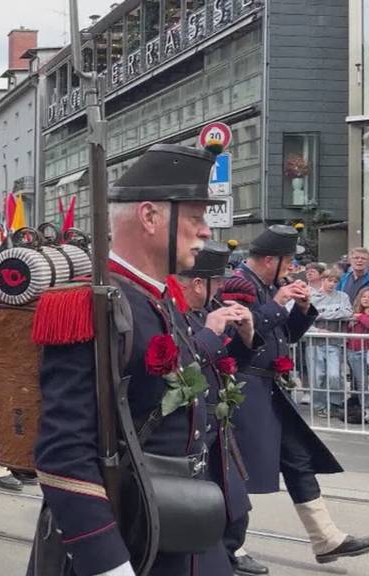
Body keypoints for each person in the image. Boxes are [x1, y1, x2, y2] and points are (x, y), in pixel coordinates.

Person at [28, 144, 245, 575]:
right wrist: (108, 563)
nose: (206, 231)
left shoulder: (162, 300)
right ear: (150, 217)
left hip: (183, 528)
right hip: (128, 539)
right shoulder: (93, 305)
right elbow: (63, 450)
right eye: (196, 217)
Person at [221, 225, 369, 572]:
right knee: (238, 471)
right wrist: (277, 303)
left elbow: (283, 334)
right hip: (245, 388)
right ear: (270, 259)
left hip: (269, 388)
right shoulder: (240, 284)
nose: (292, 267)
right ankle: (230, 546)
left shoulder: (269, 286)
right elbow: (238, 333)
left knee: (298, 458)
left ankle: (326, 537)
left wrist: (302, 310)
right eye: (288, 260)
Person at [177, 242, 258, 573]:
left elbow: (228, 365)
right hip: (193, 435)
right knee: (211, 519)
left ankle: (228, 557)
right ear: (199, 284)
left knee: (236, 511)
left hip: (218, 432)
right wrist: (211, 332)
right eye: (217, 282)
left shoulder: (200, 313)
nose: (222, 290)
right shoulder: (176, 313)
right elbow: (182, 368)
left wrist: (247, 335)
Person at [307, 269, 352, 419]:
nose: (332, 284)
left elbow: (347, 313)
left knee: (334, 375)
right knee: (317, 376)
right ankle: (319, 406)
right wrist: (319, 328)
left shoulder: (343, 296)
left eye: (335, 281)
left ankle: (334, 404)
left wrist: (322, 315)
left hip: (334, 341)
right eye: (329, 280)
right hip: (314, 341)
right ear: (323, 280)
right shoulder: (312, 297)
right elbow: (306, 318)